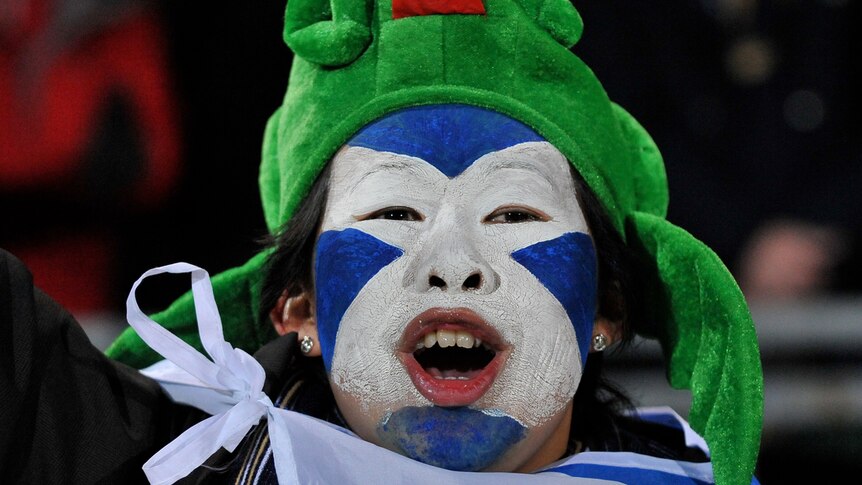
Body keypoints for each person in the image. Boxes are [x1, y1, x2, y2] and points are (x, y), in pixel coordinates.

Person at [1, 1, 763, 483]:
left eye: (513, 217)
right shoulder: (173, 470)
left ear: (610, 305)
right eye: (394, 213)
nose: (455, 265)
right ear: (297, 307)